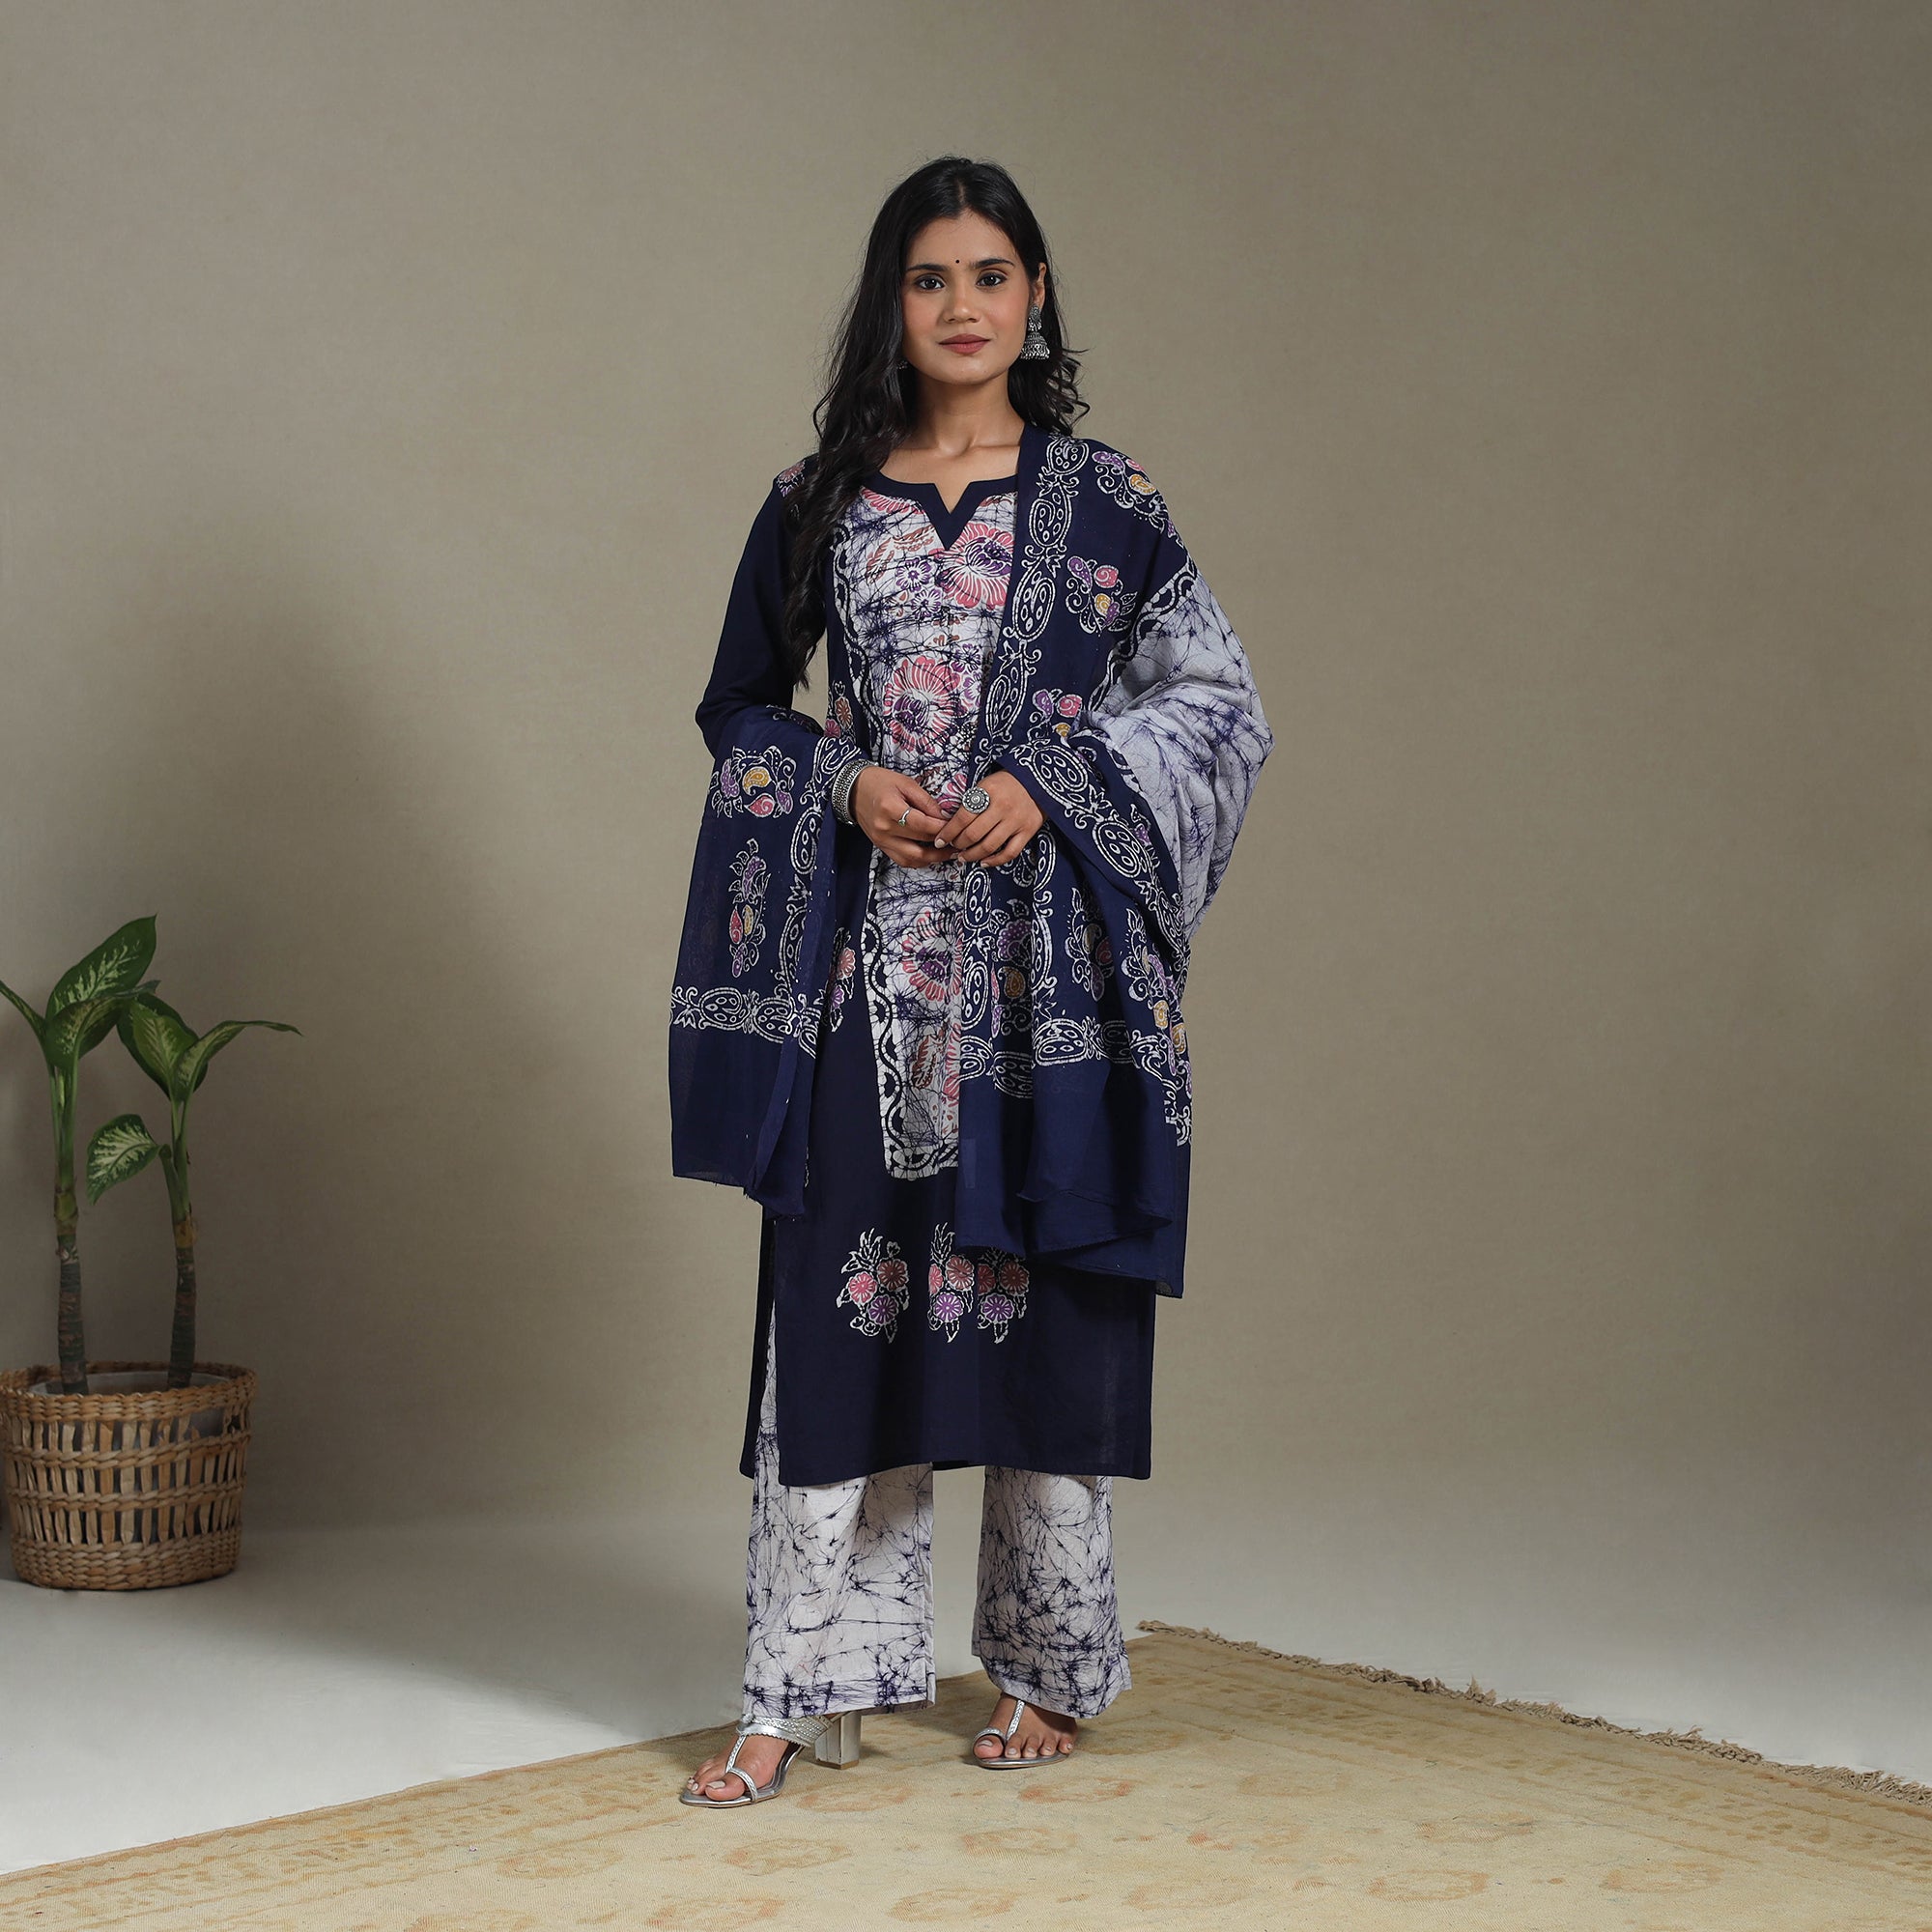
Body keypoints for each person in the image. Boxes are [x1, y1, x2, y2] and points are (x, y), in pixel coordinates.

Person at [667, 156, 1273, 1806]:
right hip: (863, 973)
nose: (961, 306)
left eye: (990, 275)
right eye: (929, 277)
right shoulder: (817, 500)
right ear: (894, 299)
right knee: (834, 1311)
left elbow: (1219, 704)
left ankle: (1050, 1671)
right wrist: (844, 780)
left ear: (1036, 294)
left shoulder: (1108, 500)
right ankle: (796, 1686)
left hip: (1042, 985)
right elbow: (739, 708)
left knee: (1043, 1311)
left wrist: (1051, 786)